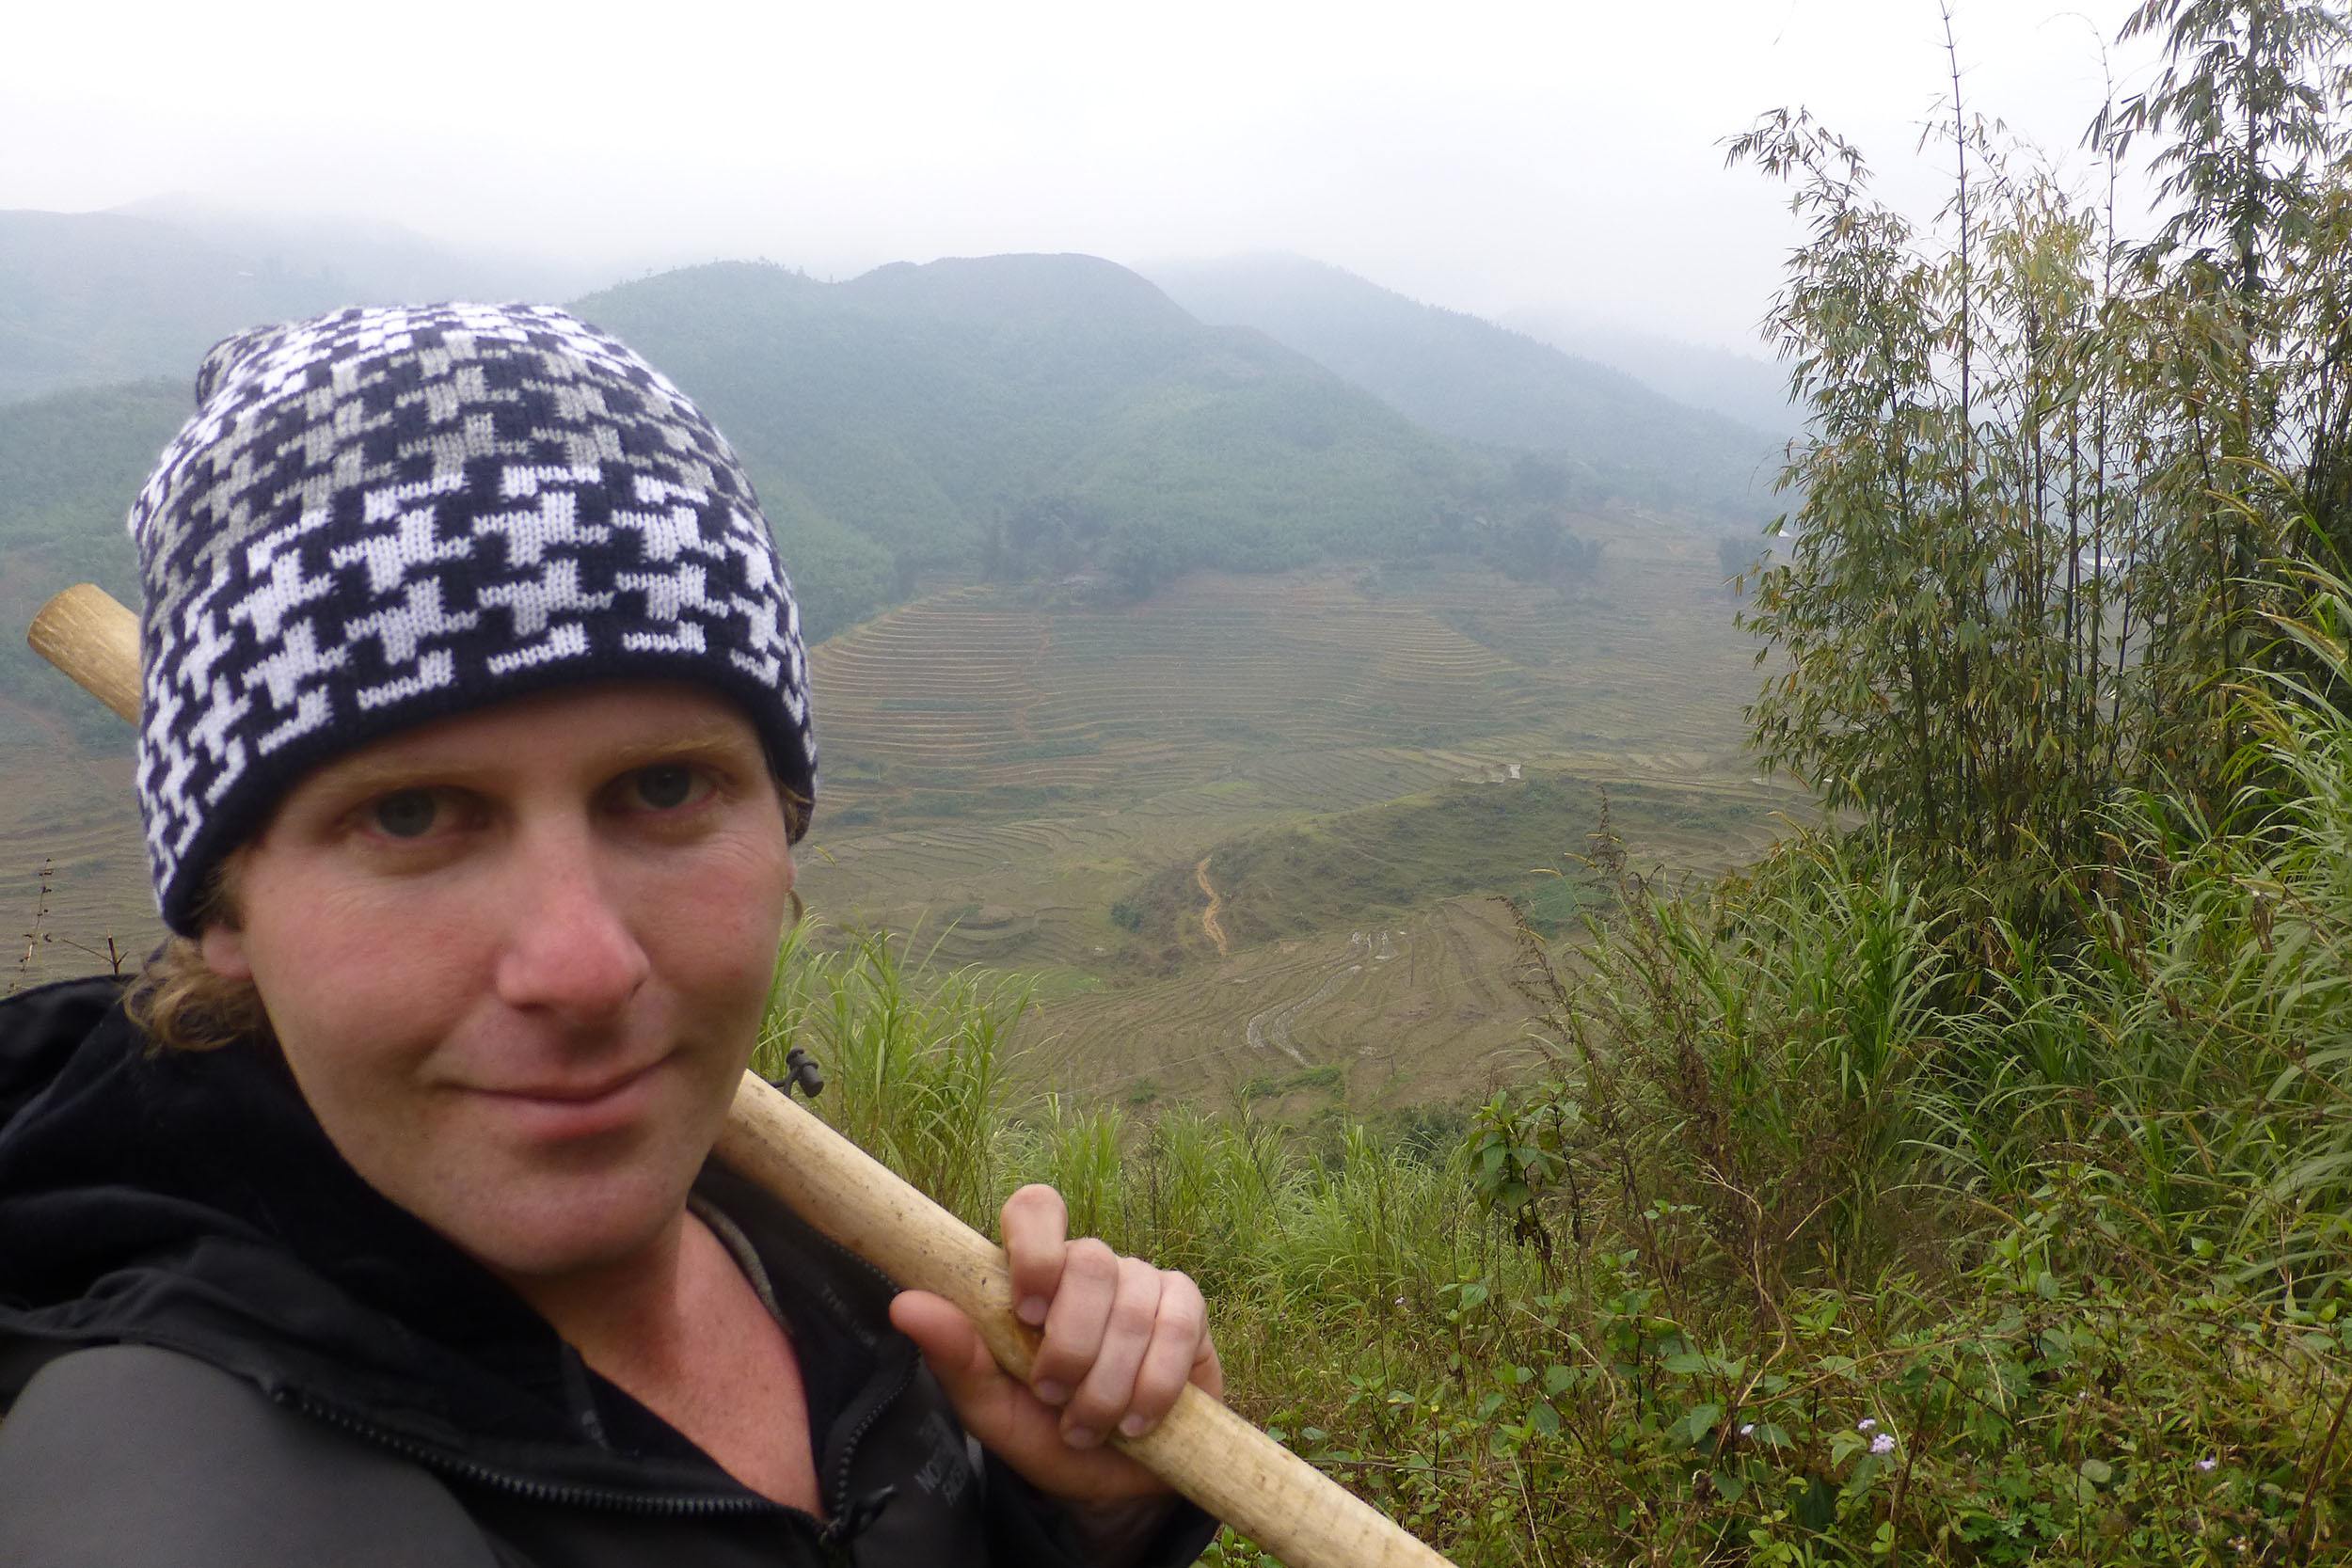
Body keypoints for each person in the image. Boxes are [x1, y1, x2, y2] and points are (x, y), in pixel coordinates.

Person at [0, 304, 1223, 1566]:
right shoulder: (181, 1490)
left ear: (780, 819)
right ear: (226, 910)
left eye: (664, 789)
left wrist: (1074, 1524)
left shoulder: (792, 1240)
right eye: (412, 815)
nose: (584, 969)